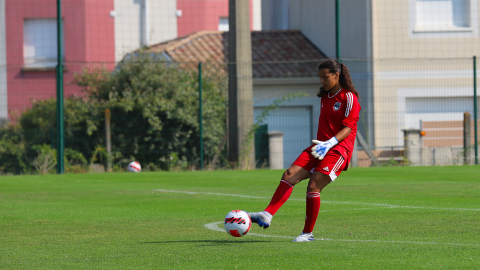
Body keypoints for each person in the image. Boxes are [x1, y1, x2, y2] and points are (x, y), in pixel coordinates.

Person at [247, 59, 361, 242]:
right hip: (319, 147)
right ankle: (266, 214)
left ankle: (307, 234)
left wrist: (330, 143)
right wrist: (323, 144)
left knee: (313, 185)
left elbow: (348, 127)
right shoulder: (325, 96)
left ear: (336, 76)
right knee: (289, 174)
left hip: (338, 150)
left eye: (325, 77)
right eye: (320, 77)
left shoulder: (348, 97)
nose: (321, 81)